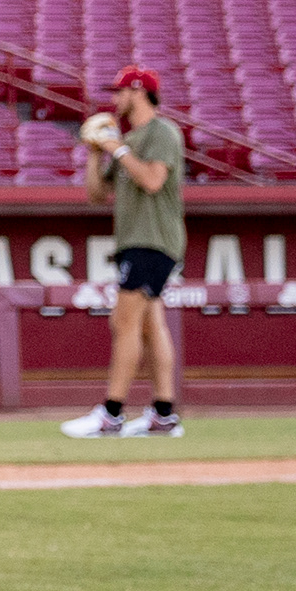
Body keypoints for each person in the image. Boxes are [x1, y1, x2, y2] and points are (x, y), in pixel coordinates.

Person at [62, 64, 184, 439]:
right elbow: (96, 196)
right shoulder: (130, 139)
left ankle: (111, 414)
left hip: (152, 239)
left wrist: (116, 147)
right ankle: (164, 415)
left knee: (123, 322)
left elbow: (151, 180)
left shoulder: (161, 131)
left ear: (138, 91)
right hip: (137, 240)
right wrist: (95, 155)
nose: (114, 99)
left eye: (119, 92)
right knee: (150, 326)